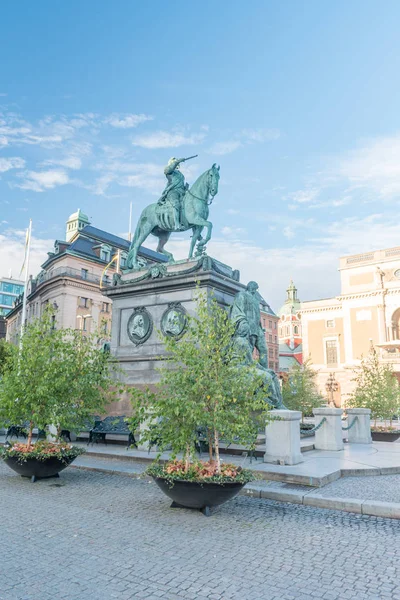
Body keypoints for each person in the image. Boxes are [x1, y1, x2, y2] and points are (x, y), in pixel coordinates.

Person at [230, 282, 285, 408]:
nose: (256, 290)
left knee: (264, 350)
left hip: (257, 329)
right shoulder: (242, 295)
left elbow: (257, 315)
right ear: (250, 287)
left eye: (257, 288)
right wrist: (243, 324)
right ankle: (266, 395)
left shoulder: (255, 299)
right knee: (254, 357)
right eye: (254, 288)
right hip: (248, 328)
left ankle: (271, 396)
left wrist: (260, 327)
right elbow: (238, 311)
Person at [158, 155, 197, 231]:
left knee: (191, 206)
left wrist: (185, 188)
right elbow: (169, 169)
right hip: (172, 192)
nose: (177, 164)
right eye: (174, 162)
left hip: (182, 192)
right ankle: (177, 225)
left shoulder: (179, 173)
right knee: (176, 204)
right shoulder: (168, 170)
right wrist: (177, 161)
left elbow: (179, 183)